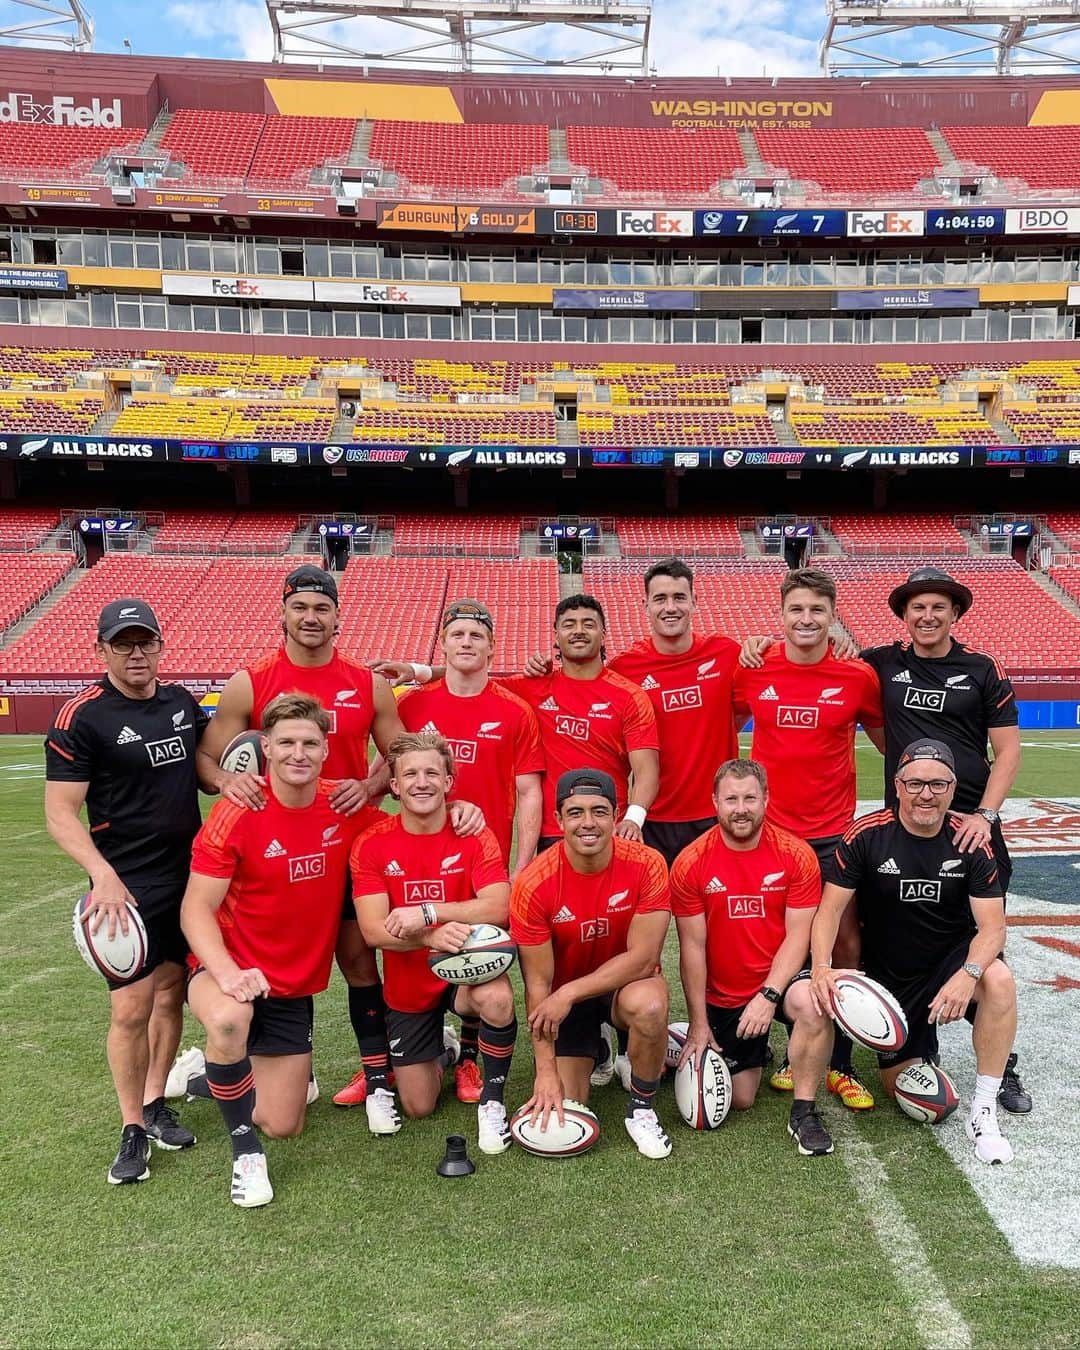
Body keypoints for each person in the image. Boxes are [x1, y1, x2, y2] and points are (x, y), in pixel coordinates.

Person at [195, 563, 406, 1112]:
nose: (311, 617)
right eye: (300, 607)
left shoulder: (368, 683)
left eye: (322, 608)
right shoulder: (252, 680)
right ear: (283, 614)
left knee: (360, 961)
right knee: (280, 953)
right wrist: (225, 780)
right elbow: (206, 758)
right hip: (277, 846)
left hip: (348, 845)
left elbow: (403, 756)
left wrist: (368, 783)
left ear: (339, 617)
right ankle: (271, 1058)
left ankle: (377, 1078)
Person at [182, 694, 385, 1207]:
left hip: (292, 985)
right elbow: (195, 910)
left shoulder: (343, 805)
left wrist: (464, 811)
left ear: (325, 750)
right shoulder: (238, 812)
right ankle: (245, 1155)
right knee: (229, 1020)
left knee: (285, 1123)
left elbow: (412, 828)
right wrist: (227, 972)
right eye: (287, 742)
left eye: (310, 743)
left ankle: (212, 1074)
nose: (299, 752)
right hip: (228, 969)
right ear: (265, 748)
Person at [44, 599, 210, 1185]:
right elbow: (61, 813)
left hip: (188, 877)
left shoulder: (181, 702)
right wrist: (103, 875)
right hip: (126, 886)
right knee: (130, 1007)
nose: (136, 653)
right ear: (102, 650)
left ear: (162, 646)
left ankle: (158, 1102)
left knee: (171, 995)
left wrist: (238, 779)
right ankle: (132, 1126)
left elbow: (206, 769)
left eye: (146, 642)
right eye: (123, 644)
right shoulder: (81, 715)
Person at [859, 565, 1029, 1115]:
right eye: (917, 608)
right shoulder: (883, 664)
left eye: (938, 607)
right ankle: (910, 1035)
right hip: (908, 824)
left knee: (986, 947)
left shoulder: (981, 670)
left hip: (972, 825)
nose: (927, 616)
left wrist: (985, 814)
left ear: (955, 614)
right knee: (900, 929)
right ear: (903, 616)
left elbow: (1008, 752)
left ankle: (1002, 1067)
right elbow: (877, 728)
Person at [810, 740, 1018, 1166]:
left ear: (953, 787)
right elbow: (829, 910)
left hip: (950, 960)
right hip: (892, 976)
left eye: (938, 783)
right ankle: (918, 1049)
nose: (927, 793)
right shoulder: (868, 835)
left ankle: (983, 1108)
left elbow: (994, 927)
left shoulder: (970, 839)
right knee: (908, 1093)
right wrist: (820, 969)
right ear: (899, 786)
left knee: (998, 979)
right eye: (917, 783)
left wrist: (969, 974)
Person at [731, 567, 884, 1110]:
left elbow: (890, 744)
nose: (806, 619)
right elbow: (720, 721)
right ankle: (782, 1047)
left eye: (817, 610)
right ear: (782, 614)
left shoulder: (856, 676)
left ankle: (840, 1063)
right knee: (773, 942)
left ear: (832, 615)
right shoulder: (753, 667)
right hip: (769, 836)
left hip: (833, 834)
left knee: (843, 944)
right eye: (796, 609)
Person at [395, 598, 543, 1104]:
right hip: (419, 859)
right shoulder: (412, 705)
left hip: (485, 867)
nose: (466, 643)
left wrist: (519, 869)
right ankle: (411, 1052)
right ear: (443, 643)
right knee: (413, 958)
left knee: (481, 966)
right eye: (456, 634)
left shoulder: (513, 710)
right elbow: (397, 776)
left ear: (491, 646)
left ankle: (471, 1061)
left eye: (476, 636)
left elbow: (529, 792)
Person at [378, 594, 660, 852]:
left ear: (603, 634)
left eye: (589, 624)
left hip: (608, 827)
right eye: (569, 624)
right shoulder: (533, 687)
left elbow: (646, 768)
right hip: (553, 829)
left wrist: (634, 819)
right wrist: (419, 671)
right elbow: (470, 675)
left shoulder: (630, 696)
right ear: (556, 636)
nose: (578, 631)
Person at [351, 732, 516, 1154]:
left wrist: (430, 914)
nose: (421, 782)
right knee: (418, 1105)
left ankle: (492, 1103)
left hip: (465, 970)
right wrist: (430, 938)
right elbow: (372, 930)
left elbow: (499, 906)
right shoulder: (372, 843)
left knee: (497, 998)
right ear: (393, 785)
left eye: (431, 773)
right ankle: (445, 1051)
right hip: (410, 984)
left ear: (448, 782)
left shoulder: (475, 833)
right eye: (410, 774)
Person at [670, 758, 835, 1156]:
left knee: (813, 1006)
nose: (740, 808)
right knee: (740, 1098)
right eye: (731, 799)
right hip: (725, 994)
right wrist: (698, 1021)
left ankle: (804, 1111)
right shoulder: (691, 862)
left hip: (779, 982)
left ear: (766, 800)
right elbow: (691, 947)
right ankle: (680, 1038)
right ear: (715, 802)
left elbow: (799, 936)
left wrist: (769, 995)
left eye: (749, 798)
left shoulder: (795, 855)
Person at [511, 769, 674, 1159]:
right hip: (565, 1003)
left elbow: (644, 957)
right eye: (576, 812)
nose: (588, 823)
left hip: (620, 987)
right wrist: (545, 1071)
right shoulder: (534, 883)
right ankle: (600, 1050)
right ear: (559, 819)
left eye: (599, 811)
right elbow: (537, 986)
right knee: (568, 1107)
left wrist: (569, 992)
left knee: (650, 1006)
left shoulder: (648, 863)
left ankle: (642, 1110)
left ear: (616, 816)